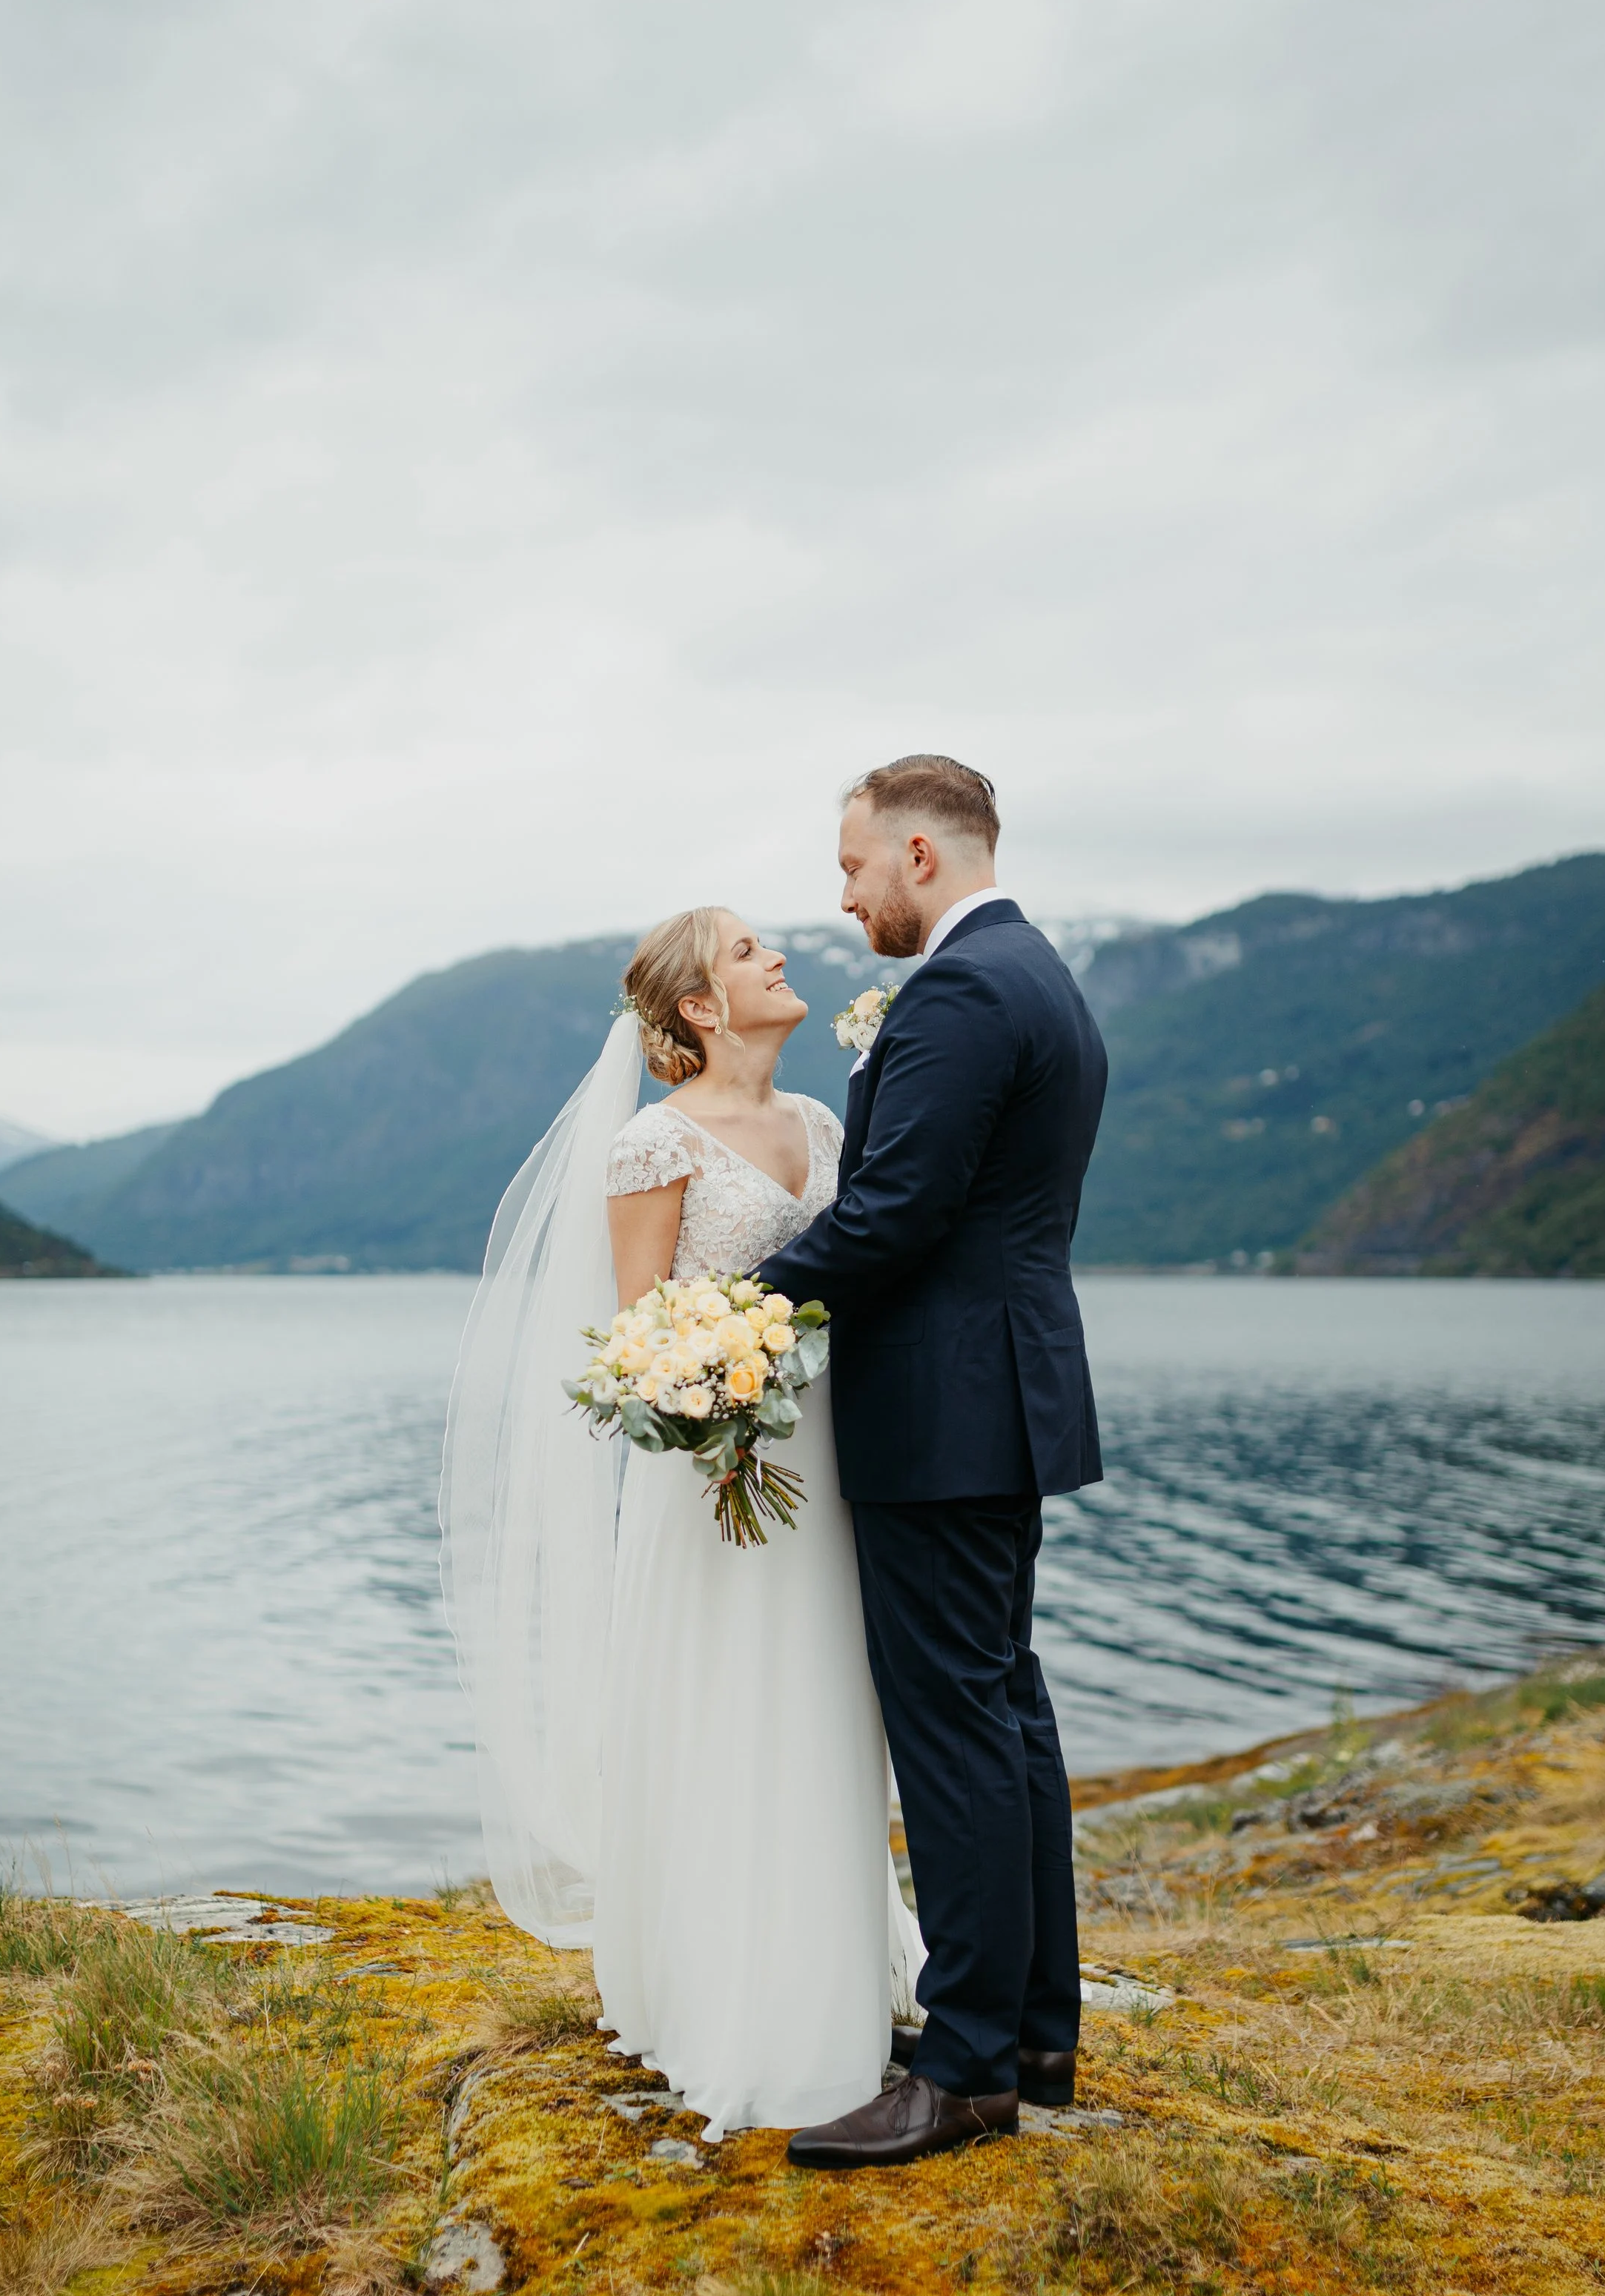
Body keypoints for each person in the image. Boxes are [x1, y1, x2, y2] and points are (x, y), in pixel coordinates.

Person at [440, 903, 921, 2142]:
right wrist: (713, 1380)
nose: (778, 956)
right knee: (725, 1706)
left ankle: (831, 1971)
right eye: (750, 951)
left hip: (824, 1466)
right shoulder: (654, 1147)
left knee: (823, 1702)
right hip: (713, 1479)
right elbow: (640, 1333)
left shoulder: (820, 1124)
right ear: (701, 1009)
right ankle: (734, 1999)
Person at [764, 755, 1108, 2170]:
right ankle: (1032, 2029)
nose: (842, 896)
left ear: (919, 852)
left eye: (851, 868)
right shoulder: (1045, 977)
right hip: (1003, 1397)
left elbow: (899, 1210)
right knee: (1005, 1710)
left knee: (955, 1726)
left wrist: (740, 1302)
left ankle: (966, 2067)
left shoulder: (966, 989)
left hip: (944, 1409)